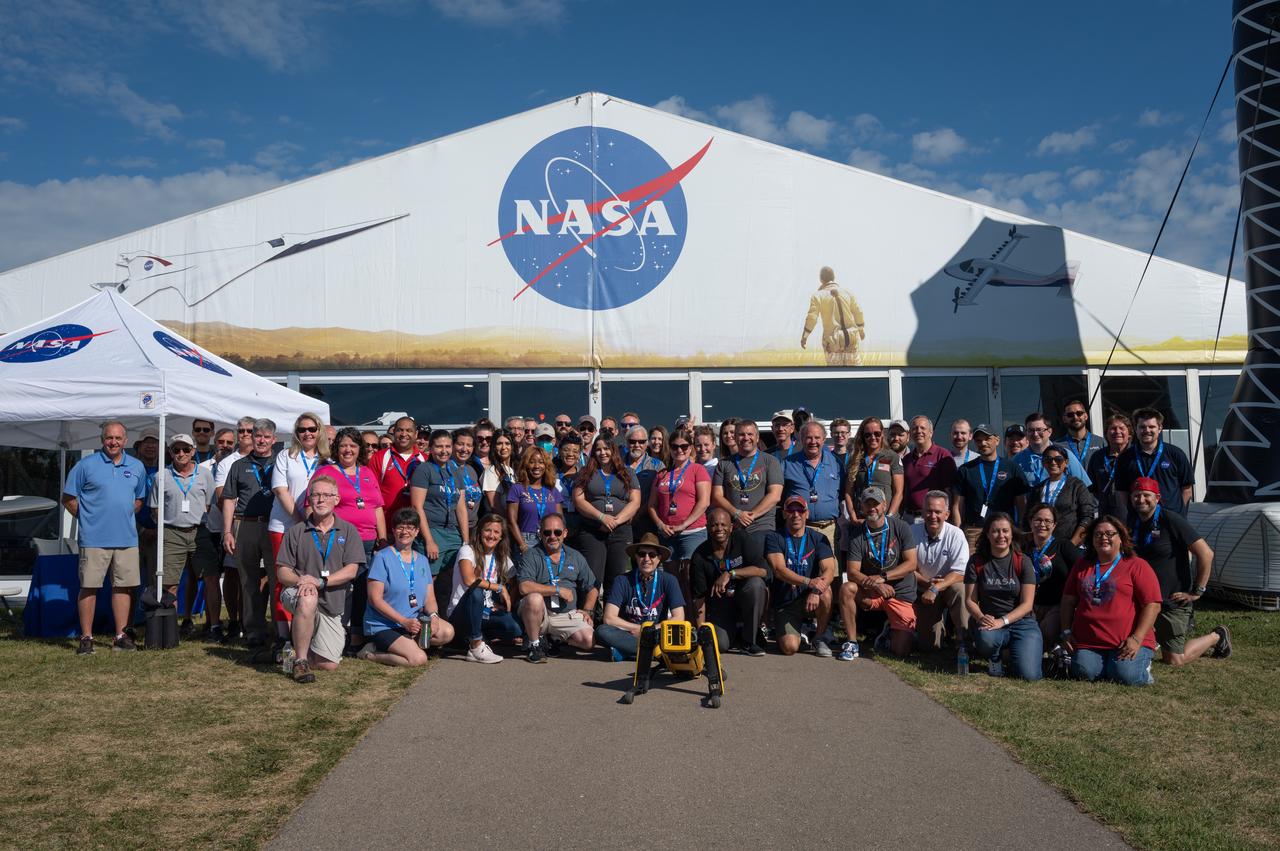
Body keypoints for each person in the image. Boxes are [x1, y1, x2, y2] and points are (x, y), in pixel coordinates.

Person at [1128, 478, 1231, 666]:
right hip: (1142, 601)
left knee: (1175, 659)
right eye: (1136, 495)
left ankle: (1216, 636)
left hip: (1171, 601)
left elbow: (1206, 554)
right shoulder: (1130, 521)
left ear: (1157, 498)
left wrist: (1197, 591)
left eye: (1146, 495)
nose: (1141, 499)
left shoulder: (1171, 519)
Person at [64, 420, 147, 654]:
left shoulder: (137, 466)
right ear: (102, 439)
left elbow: (139, 499)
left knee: (123, 587)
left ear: (125, 440)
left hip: (127, 539)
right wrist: (87, 518)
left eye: (118, 438)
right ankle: (86, 637)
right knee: (89, 587)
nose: (113, 442)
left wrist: (125, 514)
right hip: (94, 539)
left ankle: (121, 636)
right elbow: (68, 497)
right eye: (109, 438)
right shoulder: (85, 465)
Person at [276, 474, 365, 683]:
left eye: (327, 495)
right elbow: (282, 572)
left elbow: (352, 570)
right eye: (316, 495)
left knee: (330, 664)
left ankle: (287, 654)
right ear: (309, 499)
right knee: (308, 598)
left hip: (331, 604)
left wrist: (320, 582)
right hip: (299, 593)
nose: (321, 500)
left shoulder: (349, 531)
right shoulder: (296, 531)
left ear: (337, 499)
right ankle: (300, 662)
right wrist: (302, 582)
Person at [1059, 516, 1162, 686]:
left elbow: (1153, 605)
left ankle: (1142, 670)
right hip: (1090, 642)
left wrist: (1137, 638)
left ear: (1121, 538)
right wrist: (1066, 632)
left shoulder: (1137, 565)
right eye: (1098, 534)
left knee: (1125, 676)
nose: (1103, 538)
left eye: (1109, 534)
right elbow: (1068, 600)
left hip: (1128, 640)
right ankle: (1110, 666)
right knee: (1084, 672)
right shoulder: (1082, 565)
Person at [315, 427, 387, 649]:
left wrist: (382, 538)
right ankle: (329, 634)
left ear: (359, 449)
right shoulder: (327, 473)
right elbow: (314, 505)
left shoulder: (367, 473)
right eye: (344, 445)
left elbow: (377, 508)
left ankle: (356, 635)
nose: (348, 450)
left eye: (353, 446)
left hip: (367, 541)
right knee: (337, 588)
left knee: (363, 589)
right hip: (339, 540)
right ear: (337, 448)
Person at [361, 508, 455, 666]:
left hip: (412, 622)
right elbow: (375, 599)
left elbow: (429, 598)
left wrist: (434, 617)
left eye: (410, 527)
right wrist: (403, 621)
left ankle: (406, 644)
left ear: (417, 531)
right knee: (418, 659)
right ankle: (370, 653)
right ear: (393, 530)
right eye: (400, 527)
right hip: (384, 625)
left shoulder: (422, 560)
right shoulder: (382, 557)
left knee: (447, 632)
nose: (405, 532)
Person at [221, 418, 280, 655]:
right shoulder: (239, 465)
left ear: (274, 440)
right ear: (251, 438)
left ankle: (279, 630)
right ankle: (254, 631)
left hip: (275, 526)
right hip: (246, 525)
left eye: (267, 436)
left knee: (278, 580)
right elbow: (228, 499)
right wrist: (227, 531)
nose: (262, 440)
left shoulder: (281, 462)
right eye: (258, 436)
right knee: (249, 581)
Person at [839, 486, 918, 659]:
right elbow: (852, 572)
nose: (871, 508)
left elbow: (911, 563)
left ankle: (889, 632)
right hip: (872, 591)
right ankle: (852, 643)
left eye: (875, 503)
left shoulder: (901, 527)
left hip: (900, 592)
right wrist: (875, 585)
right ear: (861, 507)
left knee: (901, 651)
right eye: (867, 504)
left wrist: (883, 578)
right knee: (847, 588)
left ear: (884, 505)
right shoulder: (857, 534)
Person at [269, 413, 329, 638]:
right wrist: (301, 519)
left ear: (319, 431)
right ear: (296, 433)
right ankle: (284, 635)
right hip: (284, 526)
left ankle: (309, 631)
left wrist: (312, 523)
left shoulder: (326, 460)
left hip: (316, 528)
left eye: (312, 429)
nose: (307, 433)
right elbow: (280, 489)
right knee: (283, 579)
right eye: (302, 429)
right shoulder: (286, 456)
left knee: (311, 577)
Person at [963, 512, 1041, 680]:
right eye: (996, 531)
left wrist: (1003, 621)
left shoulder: (1023, 561)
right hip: (990, 621)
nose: (1001, 536)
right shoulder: (977, 561)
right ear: (988, 534)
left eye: (1005, 531)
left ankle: (1014, 654)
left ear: (1012, 534)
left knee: (1029, 676)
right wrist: (980, 617)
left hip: (1022, 623)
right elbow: (970, 600)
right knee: (987, 640)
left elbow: (1027, 604)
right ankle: (995, 656)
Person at [515, 513, 597, 662]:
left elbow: (592, 588)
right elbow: (524, 587)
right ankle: (535, 645)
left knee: (589, 641)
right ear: (540, 533)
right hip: (541, 614)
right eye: (547, 532)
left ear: (565, 533)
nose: (552, 536)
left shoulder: (575, 556)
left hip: (566, 615)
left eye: (557, 532)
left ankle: (555, 639)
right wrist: (557, 590)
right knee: (534, 598)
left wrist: (587, 610)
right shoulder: (531, 555)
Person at [689, 507, 769, 655]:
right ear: (707, 528)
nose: (719, 529)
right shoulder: (699, 555)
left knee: (756, 585)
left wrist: (730, 573)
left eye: (723, 525)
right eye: (714, 525)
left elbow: (762, 570)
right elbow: (699, 598)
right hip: (720, 606)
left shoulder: (742, 539)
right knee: (719, 645)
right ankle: (735, 634)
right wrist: (702, 631)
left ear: (731, 527)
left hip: (743, 597)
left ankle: (749, 641)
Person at [148, 433, 216, 608]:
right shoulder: (161, 476)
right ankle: (172, 630)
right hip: (171, 533)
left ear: (193, 451)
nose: (181, 453)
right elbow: (155, 508)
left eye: (186, 449)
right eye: (176, 449)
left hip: (199, 531)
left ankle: (214, 626)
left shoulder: (205, 474)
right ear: (170, 452)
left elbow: (208, 504)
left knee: (210, 577)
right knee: (170, 583)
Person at [598, 533, 687, 660]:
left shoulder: (669, 580)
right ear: (636, 557)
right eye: (642, 554)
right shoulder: (621, 580)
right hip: (629, 633)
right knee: (602, 631)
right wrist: (638, 629)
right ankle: (654, 654)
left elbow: (679, 617)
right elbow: (609, 618)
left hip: (656, 633)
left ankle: (628, 652)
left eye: (652, 555)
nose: (646, 558)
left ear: (659, 558)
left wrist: (649, 631)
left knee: (676, 633)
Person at [767, 496, 837, 656]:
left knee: (825, 592)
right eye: (791, 510)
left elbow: (829, 570)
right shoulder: (774, 537)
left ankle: (819, 638)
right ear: (784, 514)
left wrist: (815, 591)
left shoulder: (819, 538)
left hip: (810, 597)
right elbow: (779, 570)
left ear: (807, 514)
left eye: (800, 510)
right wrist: (809, 582)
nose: (796, 514)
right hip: (786, 602)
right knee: (789, 648)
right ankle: (799, 632)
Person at [446, 513, 521, 663]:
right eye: (487, 530)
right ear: (480, 532)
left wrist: (505, 604)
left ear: (501, 536)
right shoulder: (467, 550)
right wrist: (499, 588)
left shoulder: (502, 557)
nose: (491, 535)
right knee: (476, 590)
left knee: (515, 628)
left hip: (486, 611)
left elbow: (515, 583)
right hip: (461, 612)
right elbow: (469, 580)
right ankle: (475, 645)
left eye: (496, 532)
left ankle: (477, 638)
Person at [711, 419, 784, 568]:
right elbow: (717, 496)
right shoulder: (724, 464)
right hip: (732, 529)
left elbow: (775, 495)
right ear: (736, 437)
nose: (746, 438)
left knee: (760, 572)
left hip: (761, 527)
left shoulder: (770, 461)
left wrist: (751, 515)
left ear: (757, 437)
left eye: (750, 434)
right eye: (741, 434)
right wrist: (737, 514)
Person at [573, 436, 641, 591]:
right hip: (593, 530)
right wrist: (601, 517)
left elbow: (635, 502)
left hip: (620, 531)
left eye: (606, 448)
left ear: (613, 450)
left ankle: (611, 613)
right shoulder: (585, 472)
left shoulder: (627, 472)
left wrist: (614, 521)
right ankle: (592, 612)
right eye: (598, 449)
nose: (602, 452)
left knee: (616, 577)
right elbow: (579, 500)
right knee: (592, 576)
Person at [211, 417, 256, 640]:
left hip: (259, 522)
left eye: (249, 430)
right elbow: (221, 496)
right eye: (241, 430)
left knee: (259, 573)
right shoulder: (227, 462)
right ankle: (234, 620)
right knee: (232, 574)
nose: (245, 433)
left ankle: (252, 619)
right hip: (236, 521)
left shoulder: (266, 458)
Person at [952, 424, 1028, 551]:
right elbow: (957, 506)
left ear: (997, 440)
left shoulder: (1011, 467)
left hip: (1004, 530)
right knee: (974, 568)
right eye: (978, 440)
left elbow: (1021, 504)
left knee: (1004, 567)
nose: (983, 443)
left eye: (987, 438)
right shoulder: (965, 470)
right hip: (974, 530)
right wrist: (958, 532)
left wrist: (1019, 527)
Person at [911, 490, 969, 652]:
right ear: (922, 512)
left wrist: (936, 587)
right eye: (929, 511)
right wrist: (927, 584)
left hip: (948, 586)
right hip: (923, 588)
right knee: (929, 647)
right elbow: (907, 568)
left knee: (961, 590)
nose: (933, 516)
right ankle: (939, 632)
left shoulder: (956, 535)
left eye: (938, 512)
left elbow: (960, 573)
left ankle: (964, 640)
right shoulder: (911, 532)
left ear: (947, 514)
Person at [192, 427, 236, 639]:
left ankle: (235, 621)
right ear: (214, 443)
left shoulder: (237, 465)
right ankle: (214, 624)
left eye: (229, 442)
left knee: (231, 577)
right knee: (210, 579)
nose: (225, 446)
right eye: (221, 442)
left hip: (231, 530)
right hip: (208, 528)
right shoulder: (201, 468)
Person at [409, 429, 469, 578]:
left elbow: (461, 508)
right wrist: (429, 541)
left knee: (451, 579)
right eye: (439, 447)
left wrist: (466, 541)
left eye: (448, 446)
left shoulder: (455, 471)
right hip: (432, 530)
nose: (444, 451)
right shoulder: (424, 470)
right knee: (429, 579)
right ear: (430, 448)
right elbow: (417, 507)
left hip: (453, 533)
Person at [648, 429, 712, 566]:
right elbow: (652, 505)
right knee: (670, 578)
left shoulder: (698, 469)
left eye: (684, 446)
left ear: (690, 448)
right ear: (670, 448)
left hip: (692, 533)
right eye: (675, 446)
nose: (679, 450)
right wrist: (660, 525)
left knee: (690, 576)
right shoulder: (662, 474)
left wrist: (683, 525)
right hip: (667, 534)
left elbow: (704, 502)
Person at [1115, 407, 1194, 516]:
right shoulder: (1125, 458)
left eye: (1151, 427)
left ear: (1160, 428)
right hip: (1139, 520)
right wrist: (1131, 513)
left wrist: (1178, 514)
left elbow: (1187, 489)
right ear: (1135, 429)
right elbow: (1122, 492)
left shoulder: (1176, 454)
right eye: (1142, 427)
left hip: (1170, 519)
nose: (1147, 430)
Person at [783, 420, 842, 549]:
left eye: (817, 438)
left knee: (830, 569)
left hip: (829, 530)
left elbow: (843, 493)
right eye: (808, 437)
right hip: (799, 529)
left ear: (824, 439)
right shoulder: (788, 463)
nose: (813, 442)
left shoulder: (836, 463)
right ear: (801, 439)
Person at [1024, 502, 1077, 647]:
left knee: (1045, 632)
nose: (1042, 524)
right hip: (1029, 605)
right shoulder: (1024, 549)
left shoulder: (1064, 546)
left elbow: (1081, 570)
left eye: (1048, 521)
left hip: (1057, 605)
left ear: (1054, 525)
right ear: (1031, 522)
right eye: (1038, 520)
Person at [1024, 446, 1095, 548]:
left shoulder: (1077, 485)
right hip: (1042, 548)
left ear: (1066, 462)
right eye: (1048, 460)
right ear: (1043, 463)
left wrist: (1071, 545)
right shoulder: (1037, 489)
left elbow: (1087, 517)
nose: (1053, 463)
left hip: (1069, 546)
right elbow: (1028, 517)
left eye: (1058, 459)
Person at [799, 265, 865, 365]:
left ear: (821, 279)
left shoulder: (818, 296)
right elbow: (858, 312)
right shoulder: (848, 292)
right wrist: (861, 330)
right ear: (834, 278)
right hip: (851, 338)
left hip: (833, 341)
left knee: (836, 375)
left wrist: (805, 336)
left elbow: (812, 318)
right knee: (856, 374)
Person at [844, 416, 903, 522]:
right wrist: (852, 515)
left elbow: (898, 492)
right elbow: (848, 492)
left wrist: (889, 517)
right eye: (868, 435)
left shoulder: (892, 457)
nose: (873, 437)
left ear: (882, 434)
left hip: (885, 519)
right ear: (863, 437)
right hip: (862, 519)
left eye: (877, 433)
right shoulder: (855, 458)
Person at [1013, 412, 1091, 490]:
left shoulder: (1065, 455)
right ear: (1026, 433)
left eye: (1039, 430)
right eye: (1031, 430)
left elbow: (1085, 487)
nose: (1035, 434)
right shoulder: (1017, 460)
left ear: (1049, 431)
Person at [507, 445, 563, 552]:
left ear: (546, 465)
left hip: (550, 539)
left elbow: (560, 520)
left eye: (541, 462)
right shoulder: (517, 489)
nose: (536, 466)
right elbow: (511, 521)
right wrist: (522, 545)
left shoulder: (553, 490)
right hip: (526, 540)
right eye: (532, 462)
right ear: (525, 465)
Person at [902, 415, 957, 519]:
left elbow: (949, 491)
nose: (918, 431)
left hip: (932, 518)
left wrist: (948, 517)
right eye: (914, 428)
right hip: (908, 517)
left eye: (923, 428)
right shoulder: (906, 459)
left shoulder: (943, 455)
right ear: (910, 434)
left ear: (931, 433)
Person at [369, 416, 423, 524]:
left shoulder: (424, 459)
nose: (404, 434)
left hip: (417, 528)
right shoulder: (379, 457)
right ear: (393, 433)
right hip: (387, 526)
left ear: (416, 434)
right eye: (400, 430)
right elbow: (371, 495)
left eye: (409, 430)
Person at [1086, 413, 1132, 521]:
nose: (1117, 432)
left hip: (1131, 513)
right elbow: (1092, 488)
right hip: (1105, 513)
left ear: (1129, 433)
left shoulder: (1135, 456)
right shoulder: (1097, 457)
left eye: (1122, 428)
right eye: (1113, 428)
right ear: (1106, 433)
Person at [1058, 399, 1105, 469]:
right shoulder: (1057, 446)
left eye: (1079, 413)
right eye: (1070, 415)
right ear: (1064, 419)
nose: (1075, 417)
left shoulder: (1101, 442)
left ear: (1086, 416)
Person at [555, 431, 584, 538]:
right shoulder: (550, 472)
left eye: (575, 451)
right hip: (557, 519)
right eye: (566, 450)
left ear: (579, 454)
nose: (570, 454)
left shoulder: (585, 473)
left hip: (581, 520)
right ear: (559, 451)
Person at [482, 428, 517, 515]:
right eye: (499, 444)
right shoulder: (491, 471)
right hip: (500, 522)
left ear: (512, 446)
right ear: (494, 447)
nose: (504, 447)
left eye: (507, 443)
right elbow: (495, 506)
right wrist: (510, 524)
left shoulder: (515, 470)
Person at [829, 418, 852, 487]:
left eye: (843, 432)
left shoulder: (854, 458)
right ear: (831, 434)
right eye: (836, 433)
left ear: (849, 434)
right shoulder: (826, 458)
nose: (839, 435)